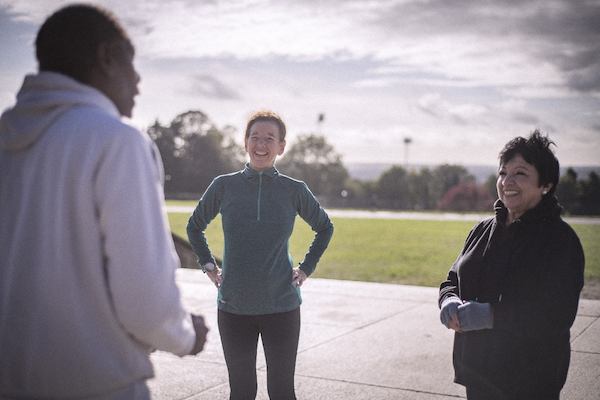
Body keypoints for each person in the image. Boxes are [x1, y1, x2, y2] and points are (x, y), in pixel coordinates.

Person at [0, 4, 208, 399]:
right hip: (98, 385)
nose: (138, 82)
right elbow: (144, 301)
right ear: (106, 57)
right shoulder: (117, 140)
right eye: (133, 66)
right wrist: (184, 335)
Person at [187, 110, 334, 400]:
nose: (261, 145)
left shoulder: (294, 190)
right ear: (245, 142)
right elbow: (194, 226)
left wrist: (306, 268)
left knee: (281, 392)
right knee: (241, 392)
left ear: (281, 146)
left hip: (282, 307)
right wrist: (208, 265)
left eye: (270, 138)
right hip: (233, 307)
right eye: (255, 137)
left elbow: (325, 227)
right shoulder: (224, 185)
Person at [438, 130, 585, 400]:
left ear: (546, 184)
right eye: (503, 172)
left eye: (520, 173)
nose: (507, 181)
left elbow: (558, 314)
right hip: (479, 373)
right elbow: (452, 279)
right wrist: (448, 300)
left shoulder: (560, 240)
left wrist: (491, 315)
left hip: (529, 379)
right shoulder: (482, 229)